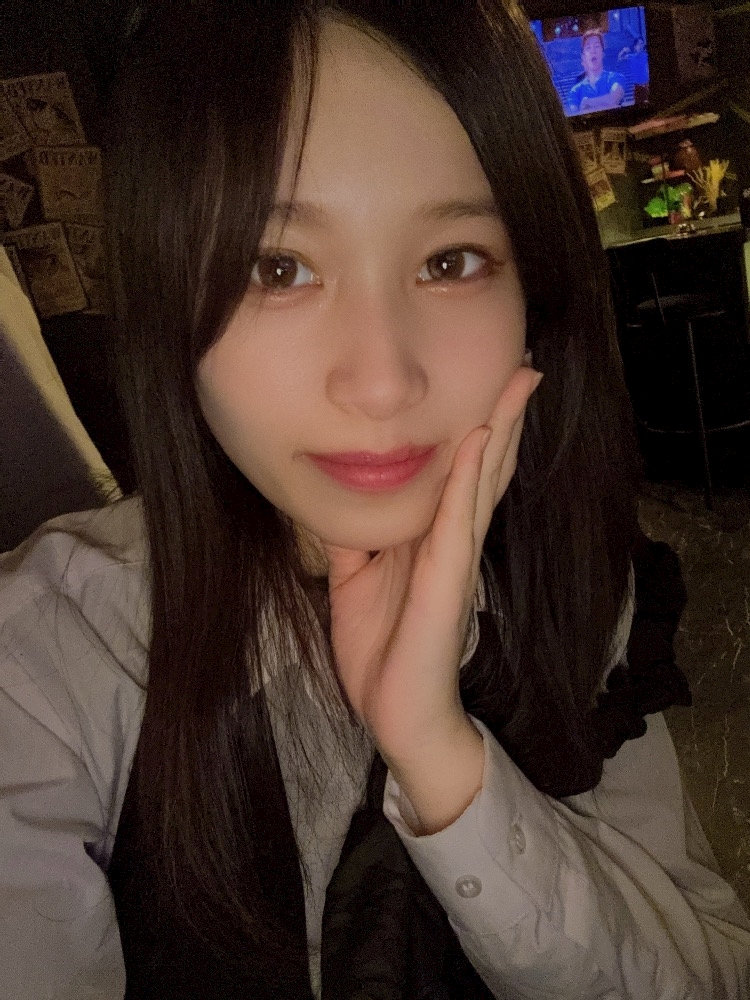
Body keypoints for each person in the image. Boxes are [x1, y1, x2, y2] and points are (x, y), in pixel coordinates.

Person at [1, 2, 749, 998]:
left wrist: (441, 756)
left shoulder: (576, 578)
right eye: (278, 267)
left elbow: (707, 971)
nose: (383, 381)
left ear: (535, 294)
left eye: (450, 262)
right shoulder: (48, 660)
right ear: (169, 300)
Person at [568, 29, 626, 114]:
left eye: (597, 46)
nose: (593, 51)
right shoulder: (575, 91)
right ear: (583, 56)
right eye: (588, 47)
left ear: (603, 53)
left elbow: (614, 99)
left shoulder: (615, 78)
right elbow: (575, 117)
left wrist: (587, 102)